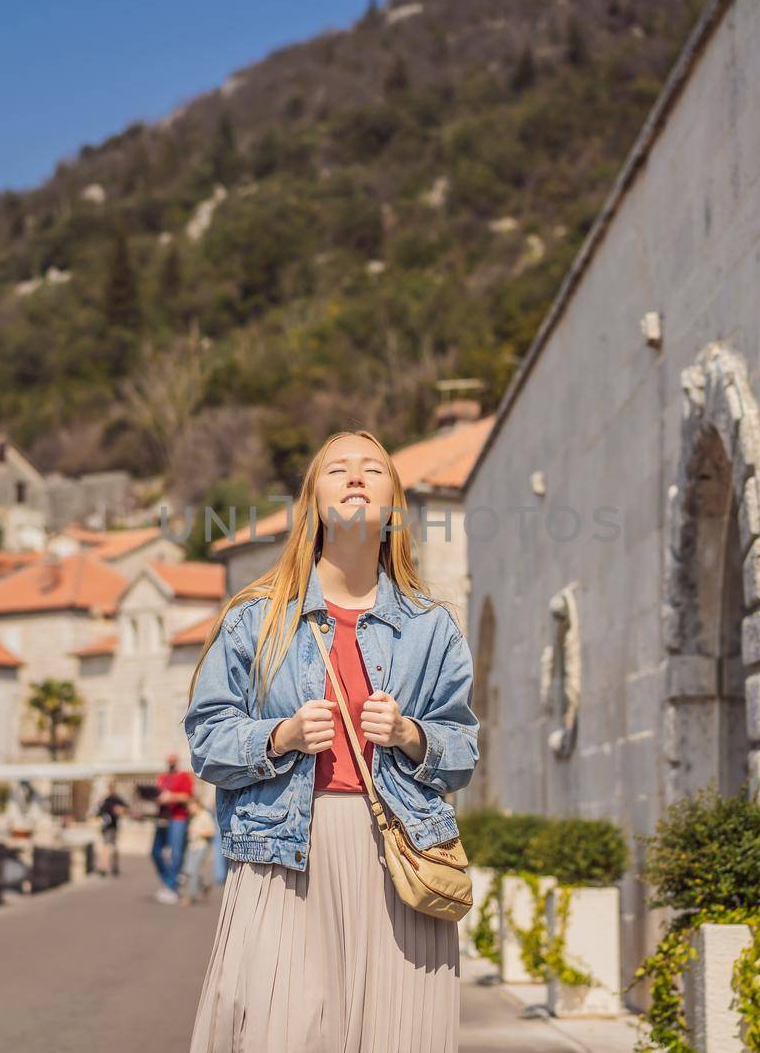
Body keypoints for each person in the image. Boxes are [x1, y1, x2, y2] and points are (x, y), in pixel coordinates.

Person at [184, 430, 479, 1052]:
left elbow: (463, 752)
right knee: (278, 1031)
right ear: (311, 502)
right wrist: (280, 735)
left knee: (398, 1037)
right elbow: (206, 741)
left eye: (373, 469)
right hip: (283, 852)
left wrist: (411, 735)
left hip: (399, 855)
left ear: (394, 504)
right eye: (337, 469)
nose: (355, 477)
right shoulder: (255, 618)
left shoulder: (434, 628)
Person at [151, 752, 196, 903]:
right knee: (155, 852)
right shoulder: (162, 778)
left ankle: (171, 887)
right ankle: (170, 881)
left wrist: (171, 797)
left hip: (178, 818)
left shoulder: (184, 776)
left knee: (176, 853)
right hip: (162, 818)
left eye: (173, 760)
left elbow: (187, 797)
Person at [178, 796, 217, 905]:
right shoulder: (193, 817)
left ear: (197, 805)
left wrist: (198, 832)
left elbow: (211, 831)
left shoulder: (205, 815)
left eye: (190, 806)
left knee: (193, 870)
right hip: (192, 846)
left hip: (201, 846)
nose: (189, 809)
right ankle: (204, 887)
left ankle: (190, 897)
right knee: (188, 870)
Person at [93, 779, 131, 877]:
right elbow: (98, 813)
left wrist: (121, 810)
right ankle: (107, 867)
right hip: (107, 826)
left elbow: (126, 809)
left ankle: (108, 867)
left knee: (110, 846)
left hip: (112, 826)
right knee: (109, 846)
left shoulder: (115, 800)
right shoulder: (105, 800)